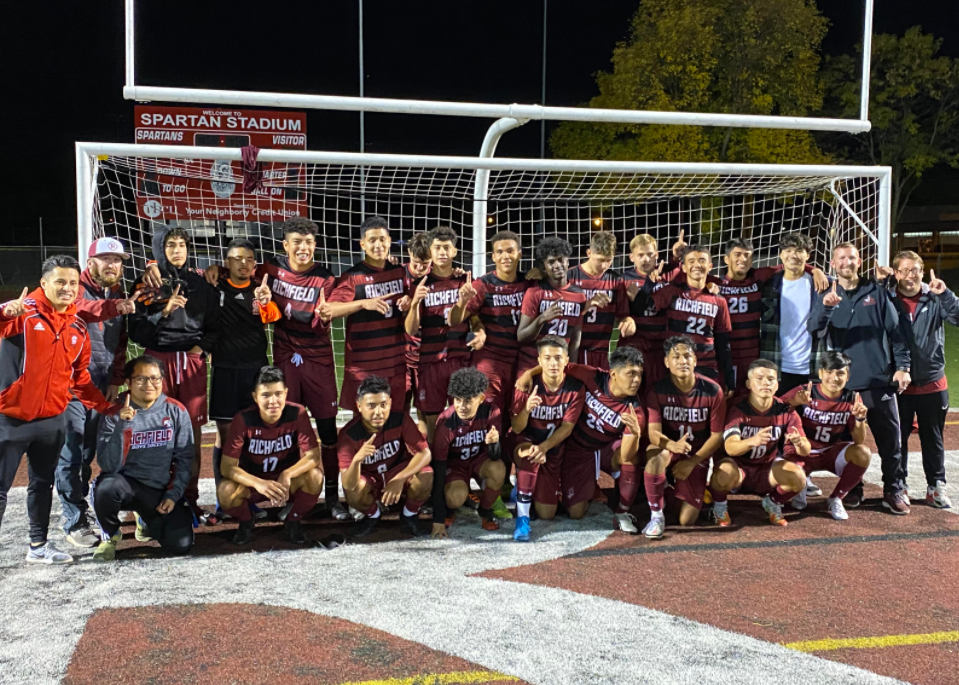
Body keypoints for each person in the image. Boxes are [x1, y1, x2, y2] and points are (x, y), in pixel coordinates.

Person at [206, 218, 342, 518]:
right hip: (283, 357)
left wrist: (326, 314)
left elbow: (329, 311)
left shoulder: (325, 277)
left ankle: (331, 498)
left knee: (327, 432)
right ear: (285, 245)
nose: (303, 248)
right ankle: (268, 494)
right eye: (297, 242)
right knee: (282, 428)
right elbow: (239, 267)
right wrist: (216, 268)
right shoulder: (271, 269)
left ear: (315, 245)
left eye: (308, 242)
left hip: (318, 360)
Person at [0, 255, 121, 564]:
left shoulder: (77, 326)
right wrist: (4, 312)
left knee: (42, 485)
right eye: (60, 282)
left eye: (73, 283)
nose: (67, 288)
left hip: (52, 420)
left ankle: (38, 546)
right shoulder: (23, 313)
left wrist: (106, 408)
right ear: (43, 283)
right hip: (9, 419)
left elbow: (80, 381)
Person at [808, 242, 912, 513]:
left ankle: (894, 489)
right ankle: (853, 489)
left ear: (859, 261)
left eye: (852, 257)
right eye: (841, 258)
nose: (847, 262)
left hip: (878, 381)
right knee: (847, 444)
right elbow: (814, 330)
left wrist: (903, 367)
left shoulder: (876, 292)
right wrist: (826, 308)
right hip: (843, 386)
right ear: (833, 264)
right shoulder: (826, 294)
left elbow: (896, 333)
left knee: (890, 441)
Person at [129, 226, 220, 522]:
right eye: (171, 245)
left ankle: (189, 501)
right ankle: (151, 502)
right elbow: (136, 332)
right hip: (157, 364)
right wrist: (164, 311)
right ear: (160, 249)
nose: (178, 250)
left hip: (191, 364)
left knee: (191, 436)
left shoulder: (200, 283)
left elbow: (215, 326)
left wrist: (200, 349)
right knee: (155, 435)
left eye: (182, 244)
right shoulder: (146, 284)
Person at [58, 238, 136, 548]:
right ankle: (74, 520)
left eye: (117, 260)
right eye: (105, 259)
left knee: (93, 450)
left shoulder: (117, 294)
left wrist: (116, 380)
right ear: (90, 262)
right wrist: (113, 306)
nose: (112, 265)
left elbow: (120, 344)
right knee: (73, 453)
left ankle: (90, 507)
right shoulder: (74, 287)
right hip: (72, 386)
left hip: (102, 386)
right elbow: (80, 309)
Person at [92, 355, 195, 561]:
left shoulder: (176, 410)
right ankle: (110, 535)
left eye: (155, 378)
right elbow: (108, 465)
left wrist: (172, 495)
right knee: (106, 487)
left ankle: (145, 520)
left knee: (181, 545)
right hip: (124, 486)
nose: (149, 384)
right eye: (141, 379)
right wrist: (124, 426)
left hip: (157, 491)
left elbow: (184, 459)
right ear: (128, 383)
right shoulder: (113, 413)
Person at [207, 239, 278, 522]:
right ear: (227, 262)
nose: (244, 264)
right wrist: (210, 269)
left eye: (249, 259)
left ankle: (248, 498)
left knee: (251, 436)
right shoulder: (216, 287)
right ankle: (223, 499)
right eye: (237, 258)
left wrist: (266, 302)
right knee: (225, 436)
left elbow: (273, 318)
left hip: (254, 371)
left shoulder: (261, 290)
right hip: (224, 369)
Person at [217, 366, 325, 545]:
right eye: (266, 395)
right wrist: (258, 483)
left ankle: (293, 520)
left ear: (286, 393)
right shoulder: (243, 419)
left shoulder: (297, 413)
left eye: (278, 394)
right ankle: (246, 520)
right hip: (254, 484)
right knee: (225, 490)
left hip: (286, 484)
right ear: (255, 397)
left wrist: (287, 473)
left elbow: (313, 456)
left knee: (315, 477)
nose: (273, 401)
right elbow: (227, 467)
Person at [707, 238, 827, 396]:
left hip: (752, 356)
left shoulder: (758, 278)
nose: (742, 259)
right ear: (726, 259)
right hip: (724, 355)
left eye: (747, 255)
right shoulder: (715, 283)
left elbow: (791, 264)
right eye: (737, 255)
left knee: (751, 399)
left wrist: (816, 270)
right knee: (723, 397)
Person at [885, 251, 957, 509]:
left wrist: (946, 294)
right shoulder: (887, 298)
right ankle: (899, 486)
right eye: (904, 270)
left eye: (915, 270)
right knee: (898, 440)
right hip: (899, 383)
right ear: (896, 273)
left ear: (922, 271)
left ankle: (936, 486)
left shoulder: (934, 296)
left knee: (933, 438)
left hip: (932, 381)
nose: (910, 275)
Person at [322, 216, 411, 413]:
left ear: (389, 241)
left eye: (382, 239)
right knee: (364, 421)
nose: (378, 245)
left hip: (395, 363)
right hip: (363, 366)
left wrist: (409, 302)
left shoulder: (400, 272)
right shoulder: (353, 277)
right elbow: (329, 310)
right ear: (362, 244)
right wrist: (363, 303)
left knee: (397, 419)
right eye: (372, 240)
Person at [405, 226, 485, 440]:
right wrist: (415, 303)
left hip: (460, 359)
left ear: (455, 251)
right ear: (430, 251)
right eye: (437, 247)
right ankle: (435, 460)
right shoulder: (419, 284)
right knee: (432, 423)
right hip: (430, 361)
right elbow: (411, 329)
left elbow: (474, 318)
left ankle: (457, 459)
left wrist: (480, 332)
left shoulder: (465, 281)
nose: (442, 252)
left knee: (463, 418)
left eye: (447, 247)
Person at [642, 335, 726, 538]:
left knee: (686, 520)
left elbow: (717, 436)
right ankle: (656, 516)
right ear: (666, 362)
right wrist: (672, 445)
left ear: (695, 360)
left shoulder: (713, 390)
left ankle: (666, 488)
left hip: (696, 453)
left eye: (687, 356)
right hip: (668, 448)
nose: (682, 361)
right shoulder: (656, 389)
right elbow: (653, 433)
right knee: (654, 458)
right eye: (676, 356)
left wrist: (692, 462)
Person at [710, 359, 810, 527]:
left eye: (771, 379)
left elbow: (805, 450)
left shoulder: (785, 410)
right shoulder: (737, 408)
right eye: (759, 378)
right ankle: (719, 507)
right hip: (738, 468)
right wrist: (752, 441)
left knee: (799, 477)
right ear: (748, 384)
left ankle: (772, 502)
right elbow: (731, 447)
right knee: (723, 471)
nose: (766, 383)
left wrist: (799, 443)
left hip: (766, 468)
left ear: (777, 385)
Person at [557, 346, 645, 532]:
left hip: (605, 447)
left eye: (639, 374)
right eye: (631, 373)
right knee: (576, 513)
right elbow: (558, 367)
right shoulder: (592, 375)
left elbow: (625, 456)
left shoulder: (635, 411)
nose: (637, 380)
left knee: (632, 458)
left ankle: (622, 511)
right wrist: (529, 374)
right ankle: (589, 488)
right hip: (577, 448)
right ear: (613, 374)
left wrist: (636, 434)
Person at [337, 376, 433, 537]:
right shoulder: (349, 435)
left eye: (383, 405)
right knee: (353, 491)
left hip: (396, 469)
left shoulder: (400, 418)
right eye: (371, 406)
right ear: (359, 406)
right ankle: (373, 515)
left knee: (426, 474)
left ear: (390, 403)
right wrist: (357, 460)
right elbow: (348, 483)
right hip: (370, 477)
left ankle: (409, 514)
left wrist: (400, 479)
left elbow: (425, 453)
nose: (378, 412)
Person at [780, 352, 872, 520]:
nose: (834, 378)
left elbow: (858, 441)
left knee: (863, 453)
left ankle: (836, 498)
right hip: (800, 452)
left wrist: (860, 419)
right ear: (821, 373)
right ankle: (799, 484)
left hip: (830, 452)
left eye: (840, 373)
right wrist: (794, 402)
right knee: (782, 493)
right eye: (829, 372)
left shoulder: (852, 398)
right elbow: (774, 411)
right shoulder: (805, 390)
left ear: (848, 376)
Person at [510, 336, 585, 541]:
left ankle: (523, 487)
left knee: (547, 513)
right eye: (548, 358)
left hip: (552, 446)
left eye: (558, 358)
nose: (553, 363)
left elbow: (567, 428)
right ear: (539, 361)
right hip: (525, 441)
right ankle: (522, 520)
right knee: (530, 455)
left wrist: (544, 447)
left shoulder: (575, 387)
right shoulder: (527, 385)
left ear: (566, 360)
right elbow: (516, 428)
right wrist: (526, 410)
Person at [448, 230, 530, 413]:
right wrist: (461, 302)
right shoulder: (482, 284)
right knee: (488, 413)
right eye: (499, 252)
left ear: (519, 254)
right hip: (491, 360)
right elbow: (453, 320)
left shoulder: (529, 283)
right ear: (493, 256)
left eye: (510, 251)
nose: (505, 256)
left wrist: (540, 273)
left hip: (522, 361)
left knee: (516, 414)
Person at [632, 244, 734, 390]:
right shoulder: (672, 292)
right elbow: (638, 309)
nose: (697, 265)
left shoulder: (719, 300)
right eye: (691, 261)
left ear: (710, 266)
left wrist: (728, 376)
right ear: (684, 268)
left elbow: (723, 343)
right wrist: (648, 284)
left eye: (702, 260)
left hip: (706, 366)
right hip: (676, 365)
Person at [429, 367, 505, 537]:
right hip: (455, 466)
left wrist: (494, 444)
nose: (462, 406)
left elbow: (495, 456)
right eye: (458, 400)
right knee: (455, 497)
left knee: (498, 469)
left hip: (479, 461)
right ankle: (452, 508)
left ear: (481, 398)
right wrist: (438, 517)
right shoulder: (446, 421)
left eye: (468, 401)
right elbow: (439, 468)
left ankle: (485, 510)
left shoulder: (492, 411)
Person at [517, 237, 607, 376]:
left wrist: (572, 369)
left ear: (567, 261)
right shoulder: (535, 292)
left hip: (559, 367)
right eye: (551, 262)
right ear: (544, 266)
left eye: (560, 260)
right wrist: (541, 319)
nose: (557, 265)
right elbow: (521, 337)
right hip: (531, 364)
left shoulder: (578, 295)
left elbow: (575, 340)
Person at [759, 232, 829, 394]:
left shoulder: (822, 285)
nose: (793, 255)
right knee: (779, 410)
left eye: (799, 251)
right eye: (788, 250)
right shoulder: (768, 285)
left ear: (808, 255)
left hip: (813, 366)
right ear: (780, 255)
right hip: (776, 365)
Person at [568, 231, 636, 369]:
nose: (604, 265)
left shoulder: (616, 281)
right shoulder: (570, 276)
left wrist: (628, 321)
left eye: (608, 260)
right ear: (589, 253)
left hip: (602, 351)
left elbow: (622, 315)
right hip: (573, 349)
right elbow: (560, 314)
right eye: (600, 260)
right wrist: (587, 304)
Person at [403, 232, 432, 411]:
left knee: (425, 409)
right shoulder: (397, 274)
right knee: (401, 406)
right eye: (416, 263)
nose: (420, 268)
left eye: (425, 264)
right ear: (409, 253)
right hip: (402, 355)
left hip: (427, 355)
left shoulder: (437, 278)